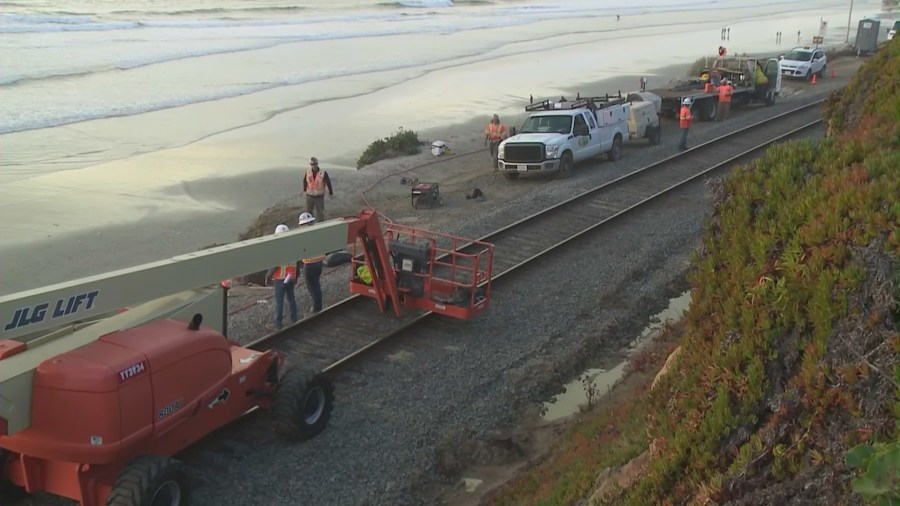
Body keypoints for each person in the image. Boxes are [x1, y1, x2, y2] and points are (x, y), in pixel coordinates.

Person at [265, 224, 298, 331]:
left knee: (279, 301)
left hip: (280, 279)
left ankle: (277, 324)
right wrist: (296, 277)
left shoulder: (278, 248)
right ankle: (294, 319)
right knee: (291, 298)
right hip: (291, 277)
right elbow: (298, 264)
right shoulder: (294, 247)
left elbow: (274, 265)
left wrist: (268, 278)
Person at [297, 212, 325, 314]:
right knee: (316, 285)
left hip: (310, 265)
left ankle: (316, 308)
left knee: (312, 287)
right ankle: (318, 305)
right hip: (319, 263)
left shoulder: (303, 236)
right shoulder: (317, 232)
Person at [302, 156, 334, 222]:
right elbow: (304, 181)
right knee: (309, 212)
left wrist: (331, 192)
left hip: (319, 196)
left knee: (320, 212)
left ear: (317, 164)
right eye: (312, 164)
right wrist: (304, 190)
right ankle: (309, 224)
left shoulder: (323, 172)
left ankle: (321, 224)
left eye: (315, 164)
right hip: (310, 196)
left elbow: (328, 182)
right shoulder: (308, 172)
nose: (314, 166)